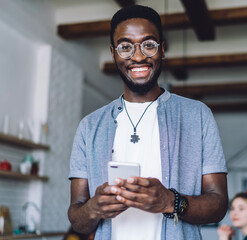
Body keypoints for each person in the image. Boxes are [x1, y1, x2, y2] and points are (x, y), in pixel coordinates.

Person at [67, 5, 228, 240]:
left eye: (148, 44)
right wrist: (93, 208)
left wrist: (170, 201)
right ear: (113, 53)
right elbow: (77, 218)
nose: (139, 56)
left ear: (162, 50)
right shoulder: (90, 127)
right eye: (125, 47)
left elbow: (219, 204)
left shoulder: (197, 116)